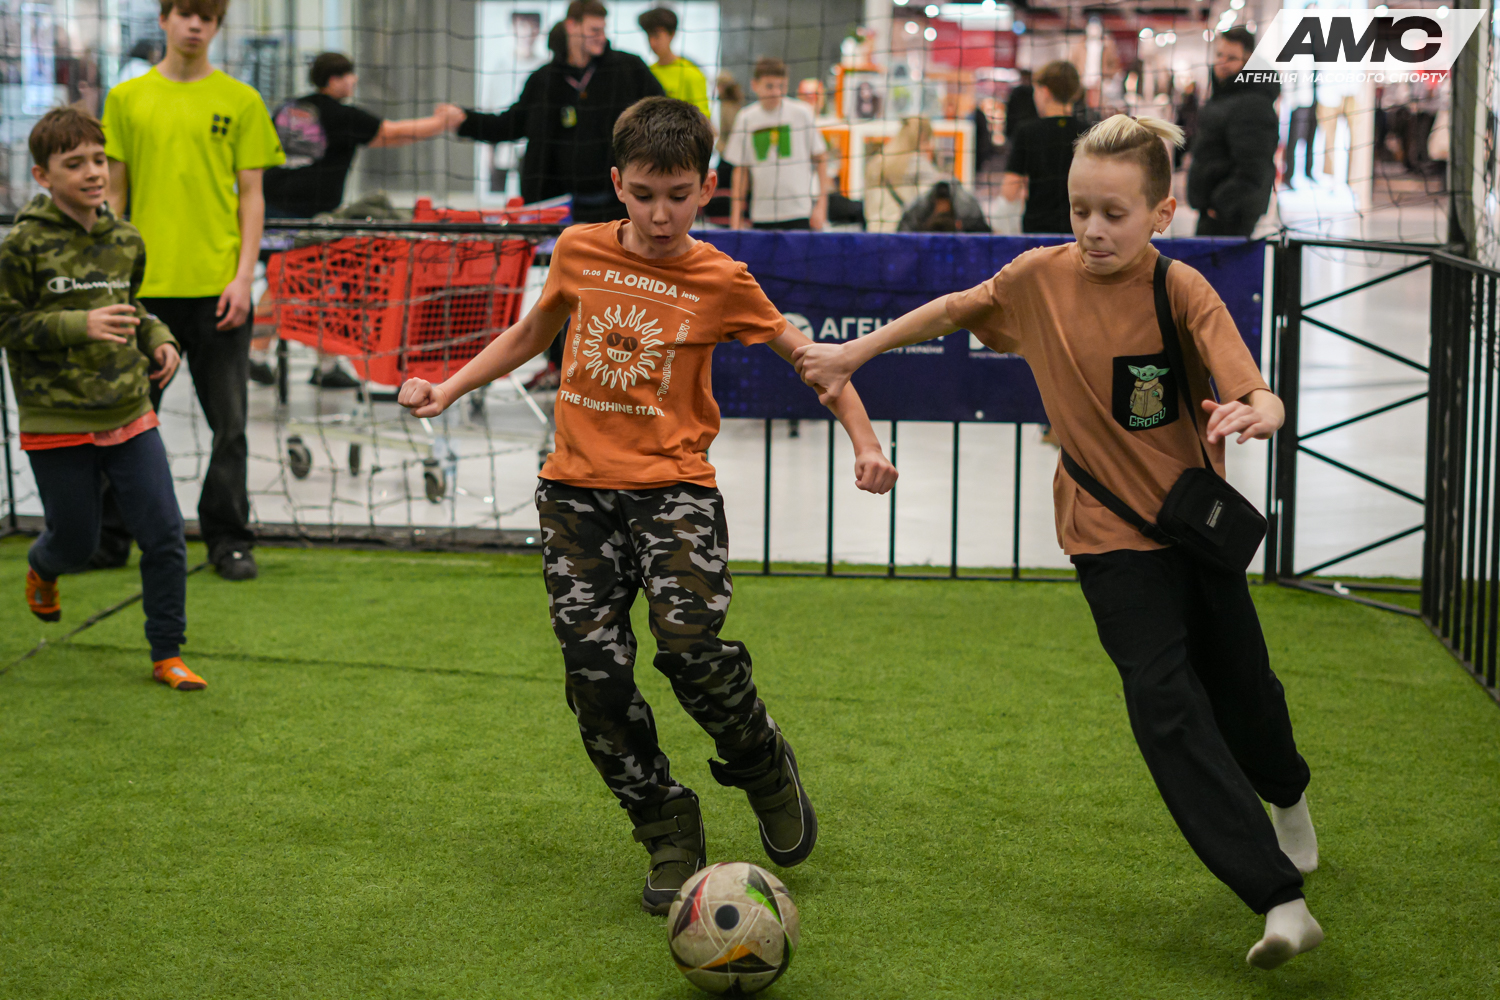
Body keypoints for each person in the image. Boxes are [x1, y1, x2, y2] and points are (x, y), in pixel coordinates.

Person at [793, 114, 1324, 971]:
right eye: (1080, 210)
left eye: (1115, 213)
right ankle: (1276, 896)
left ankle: (1289, 800)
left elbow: (1251, 384)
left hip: (1192, 529)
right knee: (1163, 703)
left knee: (1244, 690)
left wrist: (1261, 409)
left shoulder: (1183, 289)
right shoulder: (1038, 276)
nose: (1093, 229)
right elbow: (953, 309)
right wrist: (855, 355)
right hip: (1103, 535)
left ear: (1161, 213)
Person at [397, 96, 897, 913]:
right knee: (593, 676)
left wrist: (865, 443)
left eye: (678, 195)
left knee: (690, 646)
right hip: (575, 496)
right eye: (642, 195)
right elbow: (531, 334)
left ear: (706, 188)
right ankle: (664, 823)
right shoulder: (578, 248)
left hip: (673, 494)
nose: (661, 215)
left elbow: (816, 363)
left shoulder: (722, 278)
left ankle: (760, 759)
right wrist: (448, 389)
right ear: (617, 185)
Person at [0, 107, 201, 692]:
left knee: (165, 534)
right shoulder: (22, 246)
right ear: (43, 176)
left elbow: (132, 307)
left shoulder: (125, 238)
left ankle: (167, 653)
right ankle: (43, 567)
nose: (93, 173)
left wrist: (158, 338)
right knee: (76, 541)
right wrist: (78, 325)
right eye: (74, 164)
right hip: (56, 418)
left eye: (97, 160)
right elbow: (7, 323)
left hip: (129, 411)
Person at [102, 0, 286, 582]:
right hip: (143, 294)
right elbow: (114, 196)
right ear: (164, 19)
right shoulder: (125, 98)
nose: (195, 25)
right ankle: (110, 537)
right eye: (185, 13)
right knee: (126, 421)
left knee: (229, 426)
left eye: (206, 17)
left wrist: (243, 278)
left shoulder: (242, 100)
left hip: (219, 293)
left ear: (216, 26)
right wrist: (115, 282)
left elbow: (252, 196)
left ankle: (228, 539)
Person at [255, 51, 463, 389]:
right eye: (349, 75)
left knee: (292, 279)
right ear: (334, 79)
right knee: (295, 281)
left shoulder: (289, 108)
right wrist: (444, 122)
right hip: (307, 218)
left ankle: (303, 362)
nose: (354, 81)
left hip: (269, 209)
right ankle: (267, 356)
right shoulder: (340, 114)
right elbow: (394, 133)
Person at [451, 0, 663, 225]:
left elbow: (662, 113)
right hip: (557, 211)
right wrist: (464, 121)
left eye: (603, 30)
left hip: (618, 207)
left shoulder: (629, 68)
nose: (602, 37)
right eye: (594, 30)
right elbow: (509, 125)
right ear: (571, 26)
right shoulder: (544, 80)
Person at [1187, 27, 1280, 237]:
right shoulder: (1224, 96)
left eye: (1231, 58)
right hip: (1214, 212)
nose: (1222, 63)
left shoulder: (1253, 104)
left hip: (1230, 215)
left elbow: (1253, 168)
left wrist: (1219, 205)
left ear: (1248, 60)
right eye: (1219, 55)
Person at [724, 57, 829, 230]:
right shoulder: (746, 118)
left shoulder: (802, 113)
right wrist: (736, 219)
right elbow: (741, 172)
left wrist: (821, 207)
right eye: (769, 86)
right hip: (762, 215)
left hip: (800, 213)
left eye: (781, 86)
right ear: (755, 85)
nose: (776, 92)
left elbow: (821, 158)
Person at [1001, 60, 1086, 235]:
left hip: (1038, 231)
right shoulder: (1090, 132)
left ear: (1044, 91)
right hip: (1079, 230)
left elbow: (1009, 192)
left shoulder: (1027, 132)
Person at [864, 116, 945, 234]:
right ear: (923, 137)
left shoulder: (876, 162)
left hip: (872, 234)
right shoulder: (918, 163)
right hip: (902, 236)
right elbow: (930, 201)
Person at [637, 7, 708, 117]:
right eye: (648, 36)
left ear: (672, 34)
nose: (652, 43)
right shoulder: (647, 73)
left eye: (656, 36)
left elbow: (703, 119)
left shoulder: (691, 74)